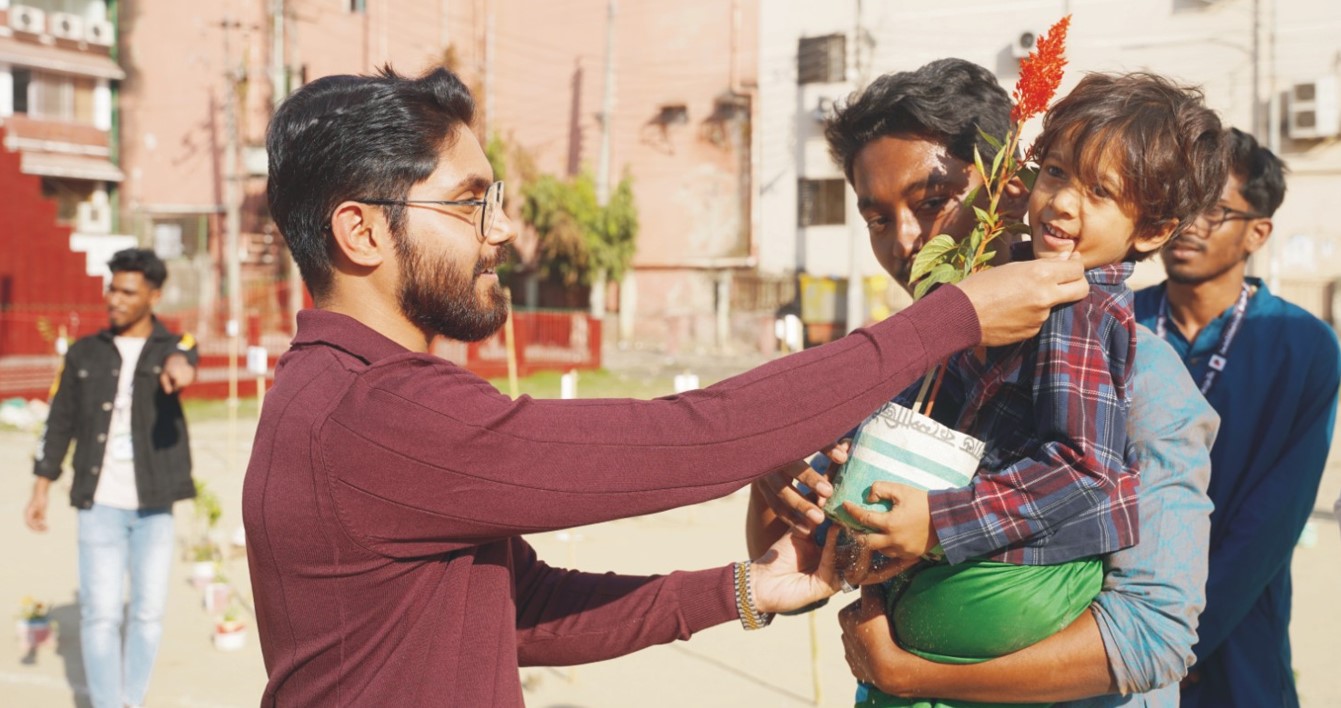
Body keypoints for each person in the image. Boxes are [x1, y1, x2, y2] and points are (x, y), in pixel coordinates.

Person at [245, 66, 1087, 707]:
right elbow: (690, 441)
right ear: (359, 230)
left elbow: (518, 606)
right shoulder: (375, 415)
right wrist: (948, 318)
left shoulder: (348, 394)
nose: (501, 231)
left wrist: (746, 590)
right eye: (468, 205)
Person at [748, 59, 1219, 705]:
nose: (908, 241)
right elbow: (814, 564)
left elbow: (1151, 636)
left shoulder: (1140, 379)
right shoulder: (907, 356)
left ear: (1006, 183)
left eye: (933, 203)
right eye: (879, 218)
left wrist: (910, 675)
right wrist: (776, 481)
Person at [1133, 128, 1341, 707]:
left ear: (1257, 231)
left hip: (1234, 636)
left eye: (1214, 208)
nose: (1190, 222)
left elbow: (1272, 523)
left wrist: (1178, 642)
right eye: (1182, 199)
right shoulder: (1113, 322)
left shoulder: (1302, 346)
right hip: (1108, 630)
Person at [26, 247, 199, 708]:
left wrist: (180, 370)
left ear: (153, 295)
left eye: (128, 291)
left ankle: (130, 699)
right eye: (112, 289)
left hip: (153, 503)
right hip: (98, 503)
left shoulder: (173, 346)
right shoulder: (84, 353)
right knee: (100, 615)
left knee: (147, 614)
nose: (115, 299)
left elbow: (187, 357)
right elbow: (59, 421)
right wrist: (41, 486)